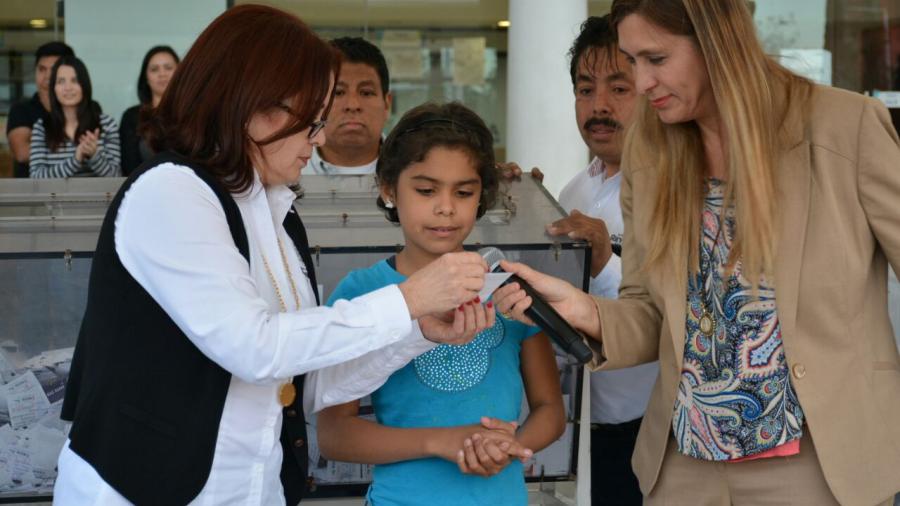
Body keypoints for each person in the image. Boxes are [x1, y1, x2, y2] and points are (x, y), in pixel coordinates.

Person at [55, 6, 493, 505]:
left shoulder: (276, 211)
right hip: (143, 489)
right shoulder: (170, 191)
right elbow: (255, 347)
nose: (321, 139)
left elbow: (304, 382)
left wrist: (414, 333)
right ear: (249, 105)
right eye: (312, 121)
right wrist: (407, 301)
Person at [493, 0, 900, 505]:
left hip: (821, 467)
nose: (641, 82)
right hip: (684, 469)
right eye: (632, 60)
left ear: (717, 42)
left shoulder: (845, 126)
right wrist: (586, 312)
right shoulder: (650, 149)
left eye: (655, 59)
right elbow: (651, 314)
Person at [315, 102, 566, 506]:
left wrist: (507, 444)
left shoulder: (508, 286)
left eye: (464, 192)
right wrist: (440, 441)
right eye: (426, 190)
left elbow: (550, 409)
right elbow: (334, 436)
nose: (446, 207)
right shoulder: (361, 293)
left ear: (482, 196)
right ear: (388, 188)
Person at [544, 15, 657, 506]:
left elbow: (673, 307)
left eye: (619, 88)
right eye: (585, 90)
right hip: (585, 420)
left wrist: (603, 261)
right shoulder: (576, 188)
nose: (600, 106)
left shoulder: (673, 188)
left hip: (652, 427)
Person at [307, 37, 391, 175]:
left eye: (366, 93)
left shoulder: (415, 165)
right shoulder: (284, 171)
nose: (352, 105)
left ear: (387, 104)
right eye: (338, 92)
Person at [29, 56, 120, 178]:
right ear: (53, 88)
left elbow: (116, 177)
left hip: (97, 197)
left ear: (84, 85)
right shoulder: (42, 127)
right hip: (55, 197)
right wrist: (76, 159)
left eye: (74, 80)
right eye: (61, 81)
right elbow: (36, 178)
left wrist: (94, 155)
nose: (68, 88)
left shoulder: (106, 124)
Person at [5, 41, 74, 178]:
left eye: (54, 70)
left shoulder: (87, 108)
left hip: (77, 191)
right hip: (32, 193)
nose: (47, 77)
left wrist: (40, 147)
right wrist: (76, 153)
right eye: (42, 69)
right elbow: (22, 153)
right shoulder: (21, 110)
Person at [119, 45, 179, 175]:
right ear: (146, 78)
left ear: (180, 73)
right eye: (154, 69)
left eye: (168, 68)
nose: (162, 74)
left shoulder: (191, 114)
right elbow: (129, 167)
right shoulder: (131, 117)